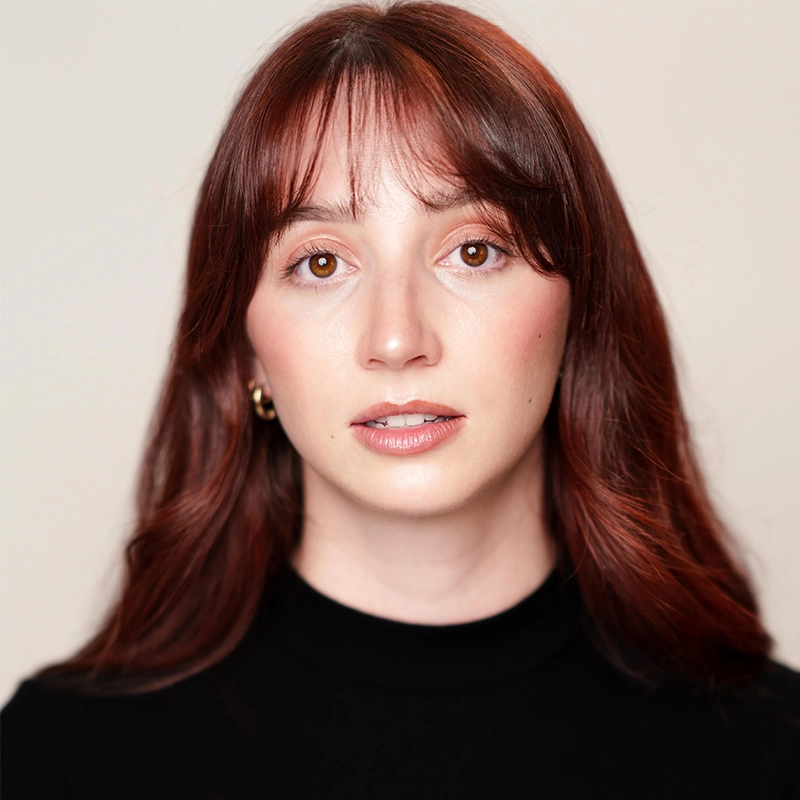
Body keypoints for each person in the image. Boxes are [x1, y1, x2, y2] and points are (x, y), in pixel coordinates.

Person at [2, 1, 799, 797]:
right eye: (321, 264)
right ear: (246, 350)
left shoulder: (772, 750)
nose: (396, 338)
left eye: (473, 251)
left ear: (578, 310)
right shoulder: (63, 758)